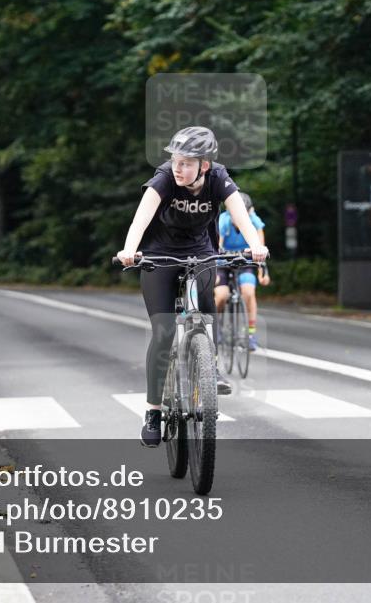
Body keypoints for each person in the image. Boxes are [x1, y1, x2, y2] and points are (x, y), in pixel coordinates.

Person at [116, 126, 269, 447]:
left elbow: (240, 216)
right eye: (175, 161)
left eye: (186, 163)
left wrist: (256, 245)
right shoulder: (164, 179)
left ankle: (209, 368)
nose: (178, 168)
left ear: (205, 165)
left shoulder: (218, 178)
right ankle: (153, 410)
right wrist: (130, 250)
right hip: (158, 256)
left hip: (200, 253)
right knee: (164, 331)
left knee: (206, 306)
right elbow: (140, 219)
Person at [215, 192, 270, 351]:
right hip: (223, 261)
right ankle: (215, 328)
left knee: (248, 292)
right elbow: (217, 245)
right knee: (221, 295)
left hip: (245, 261)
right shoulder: (223, 220)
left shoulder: (254, 221)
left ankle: (251, 334)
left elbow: (261, 249)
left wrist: (262, 272)